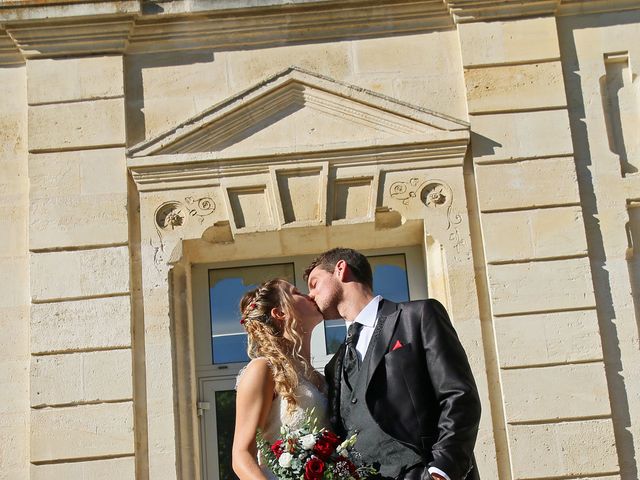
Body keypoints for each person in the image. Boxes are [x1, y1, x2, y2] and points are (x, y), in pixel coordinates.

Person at [305, 248, 481, 480]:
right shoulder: (334, 365)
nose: (310, 295)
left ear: (340, 269)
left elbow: (459, 396)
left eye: (314, 283)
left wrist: (443, 470)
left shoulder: (417, 317)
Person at [232, 279, 329, 480]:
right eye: (297, 292)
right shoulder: (264, 369)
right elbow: (241, 456)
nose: (309, 295)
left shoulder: (321, 378)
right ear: (280, 313)